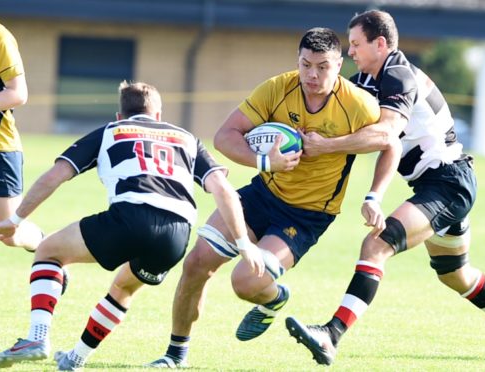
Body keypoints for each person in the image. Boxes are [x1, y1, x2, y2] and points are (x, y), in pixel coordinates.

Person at [285, 10, 485, 372]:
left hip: (449, 182)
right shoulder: (365, 80)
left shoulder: (399, 75)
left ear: (380, 43)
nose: (353, 51)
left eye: (357, 44)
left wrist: (329, 151)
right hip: (435, 184)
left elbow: (385, 135)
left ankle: (332, 333)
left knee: (377, 245)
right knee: (456, 273)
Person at [147, 27, 401, 368]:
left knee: (245, 282)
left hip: (306, 215)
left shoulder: (357, 104)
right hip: (261, 194)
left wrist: (374, 196)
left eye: (322, 66)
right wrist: (266, 161)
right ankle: (175, 355)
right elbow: (225, 136)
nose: (312, 75)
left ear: (339, 65)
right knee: (196, 264)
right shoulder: (278, 88)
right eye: (305, 64)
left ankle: (274, 298)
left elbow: (390, 142)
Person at [0, 81, 265, 370]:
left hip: (130, 217)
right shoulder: (188, 138)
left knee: (49, 251)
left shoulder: (110, 131)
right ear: (159, 116)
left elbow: (55, 176)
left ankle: (37, 337)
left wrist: (15, 220)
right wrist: (243, 244)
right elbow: (224, 191)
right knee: (124, 287)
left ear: (119, 116)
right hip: (176, 234)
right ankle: (75, 358)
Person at [0, 23, 43, 251]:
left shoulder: (1, 37)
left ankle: (46, 246)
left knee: (8, 233)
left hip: (1, 148)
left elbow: (17, 93)